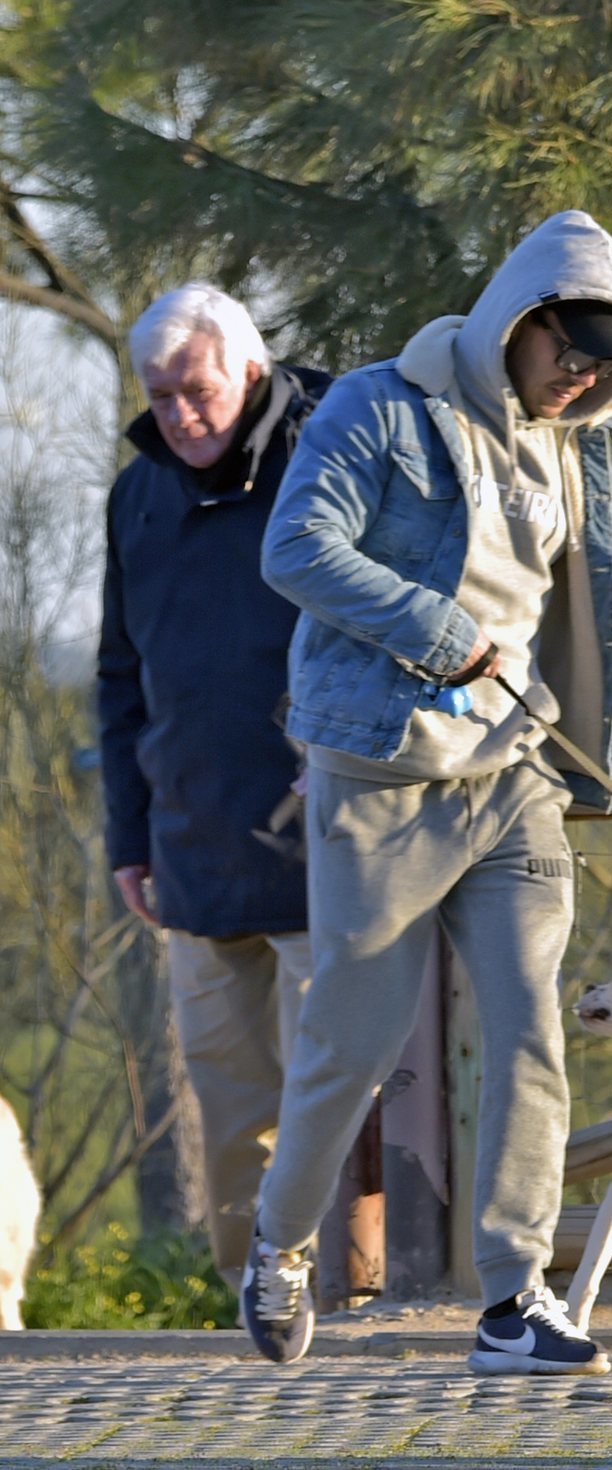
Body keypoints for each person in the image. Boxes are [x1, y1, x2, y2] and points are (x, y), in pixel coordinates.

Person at [244, 210, 612, 1373]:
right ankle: (280, 1246)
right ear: (517, 321)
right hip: (381, 778)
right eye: (568, 353)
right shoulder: (377, 408)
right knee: (355, 1043)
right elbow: (293, 549)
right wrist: (438, 633)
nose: (580, 381)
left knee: (531, 1025)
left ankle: (513, 1299)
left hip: (514, 778)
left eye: (605, 370)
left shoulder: (574, 447)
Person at [96, 283, 332, 1295]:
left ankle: (350, 1301)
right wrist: (128, 838)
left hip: (331, 848)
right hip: (192, 850)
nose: (178, 416)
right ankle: (257, 1314)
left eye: (195, 391)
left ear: (248, 368)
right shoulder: (134, 497)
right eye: (159, 396)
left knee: (336, 1104)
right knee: (233, 1114)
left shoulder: (330, 453)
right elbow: (120, 678)